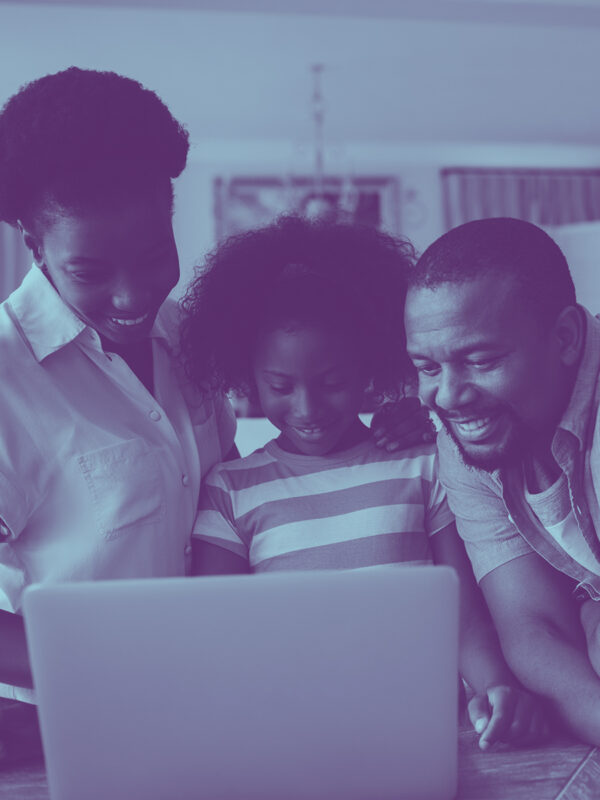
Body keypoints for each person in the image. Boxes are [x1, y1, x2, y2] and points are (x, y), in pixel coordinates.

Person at [181, 214, 549, 750]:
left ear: (371, 366)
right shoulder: (230, 489)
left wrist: (495, 684)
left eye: (332, 382)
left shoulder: (423, 465)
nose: (306, 409)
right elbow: (216, 632)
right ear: (247, 375)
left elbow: (461, 611)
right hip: (287, 732)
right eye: (280, 386)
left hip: (423, 727)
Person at [0, 68, 236, 726]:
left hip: (197, 706)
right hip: (53, 729)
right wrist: (111, 667)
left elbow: (232, 493)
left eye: (156, 255)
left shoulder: (189, 338)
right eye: (92, 271)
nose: (134, 298)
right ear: (34, 247)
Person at [403, 216, 600, 745]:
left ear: (564, 337)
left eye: (481, 360)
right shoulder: (466, 442)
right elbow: (534, 627)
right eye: (426, 367)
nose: (446, 397)